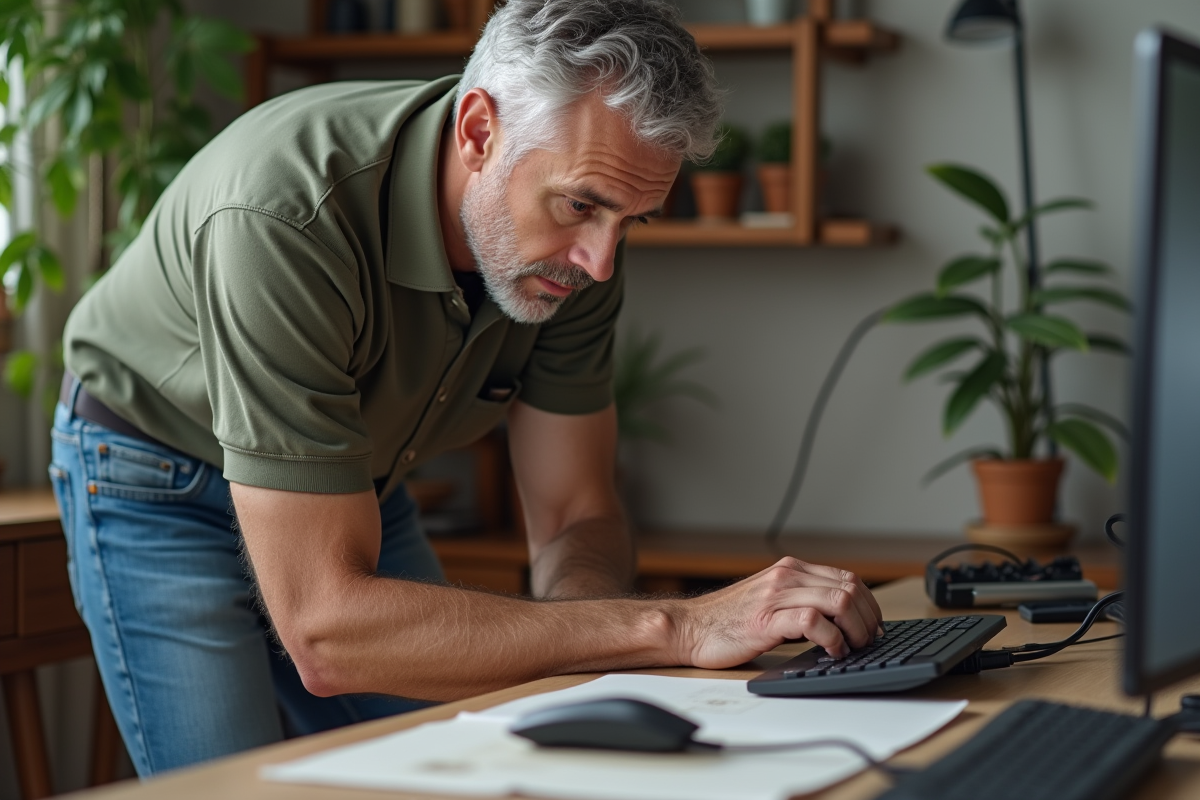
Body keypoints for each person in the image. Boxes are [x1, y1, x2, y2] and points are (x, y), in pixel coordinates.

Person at [50, 0, 883, 777]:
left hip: (356, 482)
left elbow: (574, 515)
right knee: (236, 790)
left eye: (630, 221)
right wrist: (678, 626)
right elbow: (327, 633)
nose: (599, 261)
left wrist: (594, 665)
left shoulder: (578, 257)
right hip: (160, 475)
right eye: (581, 206)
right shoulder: (286, 214)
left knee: (458, 767)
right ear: (480, 129)